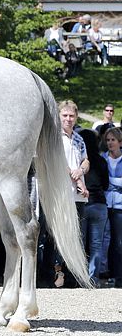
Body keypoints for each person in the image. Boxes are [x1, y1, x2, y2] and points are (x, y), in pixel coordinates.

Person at [56, 100, 89, 287]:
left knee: (77, 236)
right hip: (62, 192)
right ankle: (54, 275)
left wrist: (81, 171)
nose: (68, 119)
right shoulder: (55, 137)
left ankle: (73, 277)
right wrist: (77, 178)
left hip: (78, 194)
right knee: (58, 235)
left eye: (71, 116)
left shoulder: (78, 138)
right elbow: (60, 161)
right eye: (65, 115)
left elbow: (86, 161)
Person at [78, 129, 109, 286]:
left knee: (81, 242)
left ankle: (80, 277)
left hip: (83, 203)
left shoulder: (80, 162)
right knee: (97, 243)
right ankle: (93, 278)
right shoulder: (101, 161)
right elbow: (106, 185)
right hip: (99, 204)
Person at [102, 127, 122, 288]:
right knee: (104, 241)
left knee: (118, 242)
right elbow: (102, 182)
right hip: (105, 204)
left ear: (119, 142)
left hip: (120, 207)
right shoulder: (103, 158)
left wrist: (111, 182)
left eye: (113, 140)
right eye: (108, 140)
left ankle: (118, 275)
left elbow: (109, 182)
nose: (110, 143)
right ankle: (106, 272)